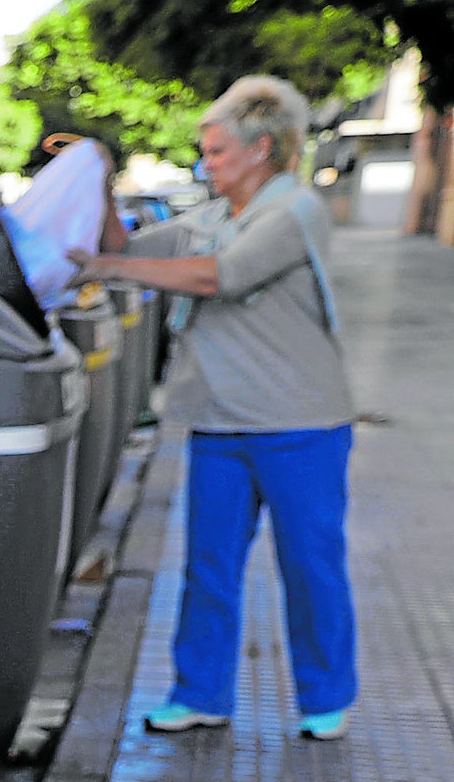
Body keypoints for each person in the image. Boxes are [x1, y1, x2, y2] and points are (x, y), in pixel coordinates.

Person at [69, 75, 356, 741]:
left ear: (261, 150)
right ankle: (200, 693)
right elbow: (123, 251)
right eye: (204, 151)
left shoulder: (296, 212)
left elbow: (216, 277)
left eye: (218, 151)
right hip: (220, 421)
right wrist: (99, 181)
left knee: (310, 565)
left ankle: (325, 696)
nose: (206, 163)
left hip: (300, 424)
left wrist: (108, 269)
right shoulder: (207, 218)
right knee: (208, 566)